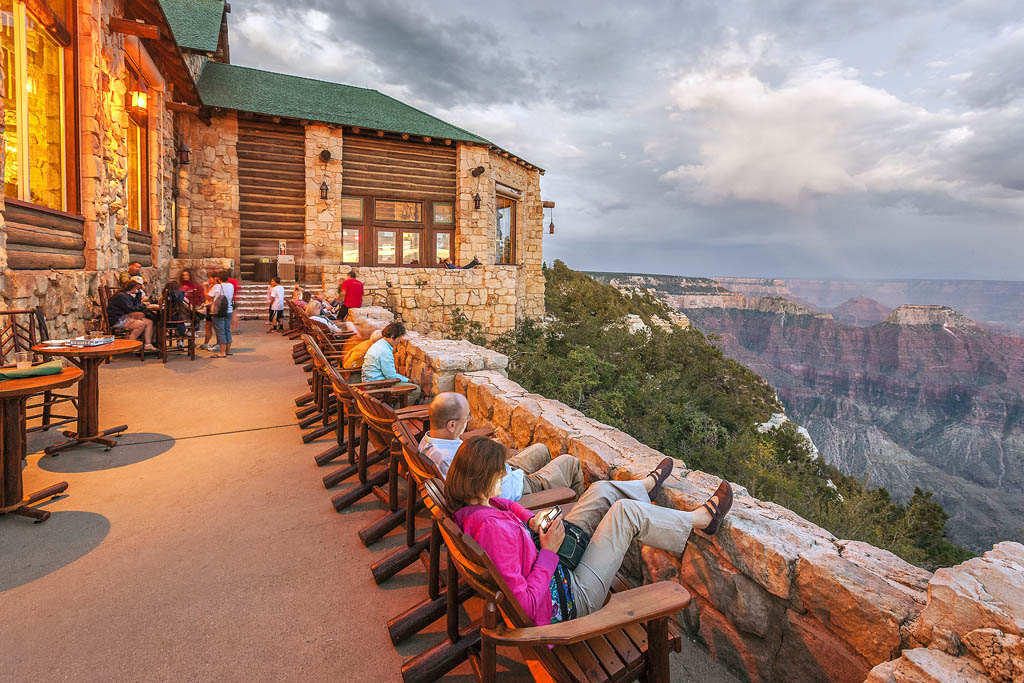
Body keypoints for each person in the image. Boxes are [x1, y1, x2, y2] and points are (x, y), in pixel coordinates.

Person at [449, 437, 733, 626]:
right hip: (571, 597)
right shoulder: (492, 532)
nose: (504, 474)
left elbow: (506, 505)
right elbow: (525, 606)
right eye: (501, 471)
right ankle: (699, 520)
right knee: (625, 514)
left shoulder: (475, 509)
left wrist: (532, 521)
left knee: (599, 491)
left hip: (556, 565)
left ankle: (644, 488)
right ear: (483, 478)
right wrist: (548, 552)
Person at [421, 392, 584, 500]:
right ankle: (573, 517)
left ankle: (552, 491)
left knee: (541, 449)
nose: (468, 421)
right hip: (516, 490)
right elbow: (490, 494)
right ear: (451, 425)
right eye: (466, 419)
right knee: (570, 463)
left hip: (502, 471)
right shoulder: (452, 459)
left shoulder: (428, 443)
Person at [361, 321, 421, 404]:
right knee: (415, 389)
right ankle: (395, 412)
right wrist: (408, 380)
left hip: (370, 380)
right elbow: (391, 376)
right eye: (399, 339)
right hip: (376, 385)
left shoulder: (379, 344)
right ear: (392, 337)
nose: (398, 342)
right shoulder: (385, 351)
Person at [107, 280, 156, 350]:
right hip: (117, 319)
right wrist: (144, 306)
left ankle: (148, 344)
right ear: (133, 288)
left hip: (125, 317)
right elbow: (131, 309)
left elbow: (136, 305)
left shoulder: (127, 295)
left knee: (149, 322)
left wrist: (138, 295)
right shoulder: (121, 296)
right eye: (137, 289)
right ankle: (130, 346)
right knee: (141, 325)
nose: (138, 290)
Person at [206, 270, 234, 357]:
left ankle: (222, 352)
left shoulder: (217, 286)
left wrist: (206, 287)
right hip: (229, 310)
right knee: (227, 330)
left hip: (218, 311)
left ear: (218, 278)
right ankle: (228, 351)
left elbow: (208, 296)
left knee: (220, 331)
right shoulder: (231, 285)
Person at [226, 270, 242, 335]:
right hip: (233, 299)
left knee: (230, 316)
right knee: (234, 315)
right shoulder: (234, 281)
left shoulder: (226, 281)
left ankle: (229, 329)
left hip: (227, 300)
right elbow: (239, 288)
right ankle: (235, 329)